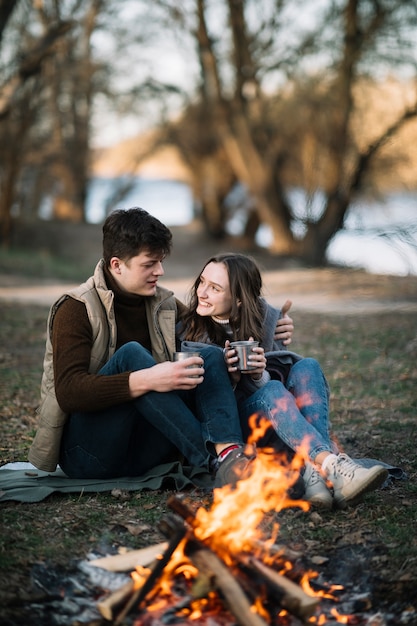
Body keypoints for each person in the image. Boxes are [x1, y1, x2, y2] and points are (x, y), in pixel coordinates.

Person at [28, 208, 293, 491]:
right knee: (131, 355)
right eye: (149, 264)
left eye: (161, 261)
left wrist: (270, 323)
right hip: (88, 455)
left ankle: (229, 455)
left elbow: (214, 320)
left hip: (144, 447)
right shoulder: (76, 308)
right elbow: (69, 392)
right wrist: (149, 379)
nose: (160, 271)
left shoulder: (164, 305)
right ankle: (210, 463)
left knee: (209, 355)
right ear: (117, 265)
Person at [178, 252, 389, 509]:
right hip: (235, 432)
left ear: (240, 299)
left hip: (277, 419)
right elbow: (205, 404)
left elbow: (278, 375)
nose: (202, 292)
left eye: (214, 288)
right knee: (273, 389)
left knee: (307, 365)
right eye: (202, 282)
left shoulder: (266, 320)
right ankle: (330, 464)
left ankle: (314, 476)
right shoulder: (190, 330)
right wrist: (231, 378)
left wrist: (258, 375)